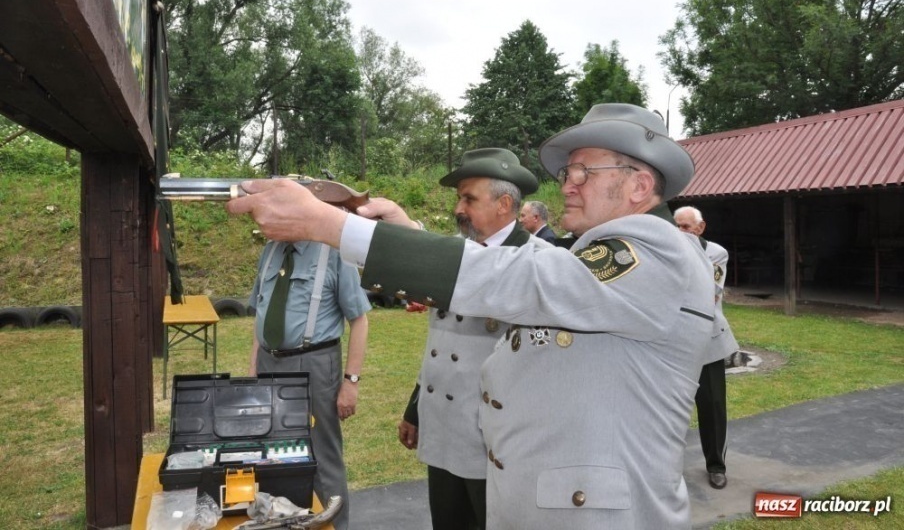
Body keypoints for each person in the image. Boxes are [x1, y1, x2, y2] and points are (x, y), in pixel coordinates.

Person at [226, 103, 715, 529]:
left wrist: (328, 224)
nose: (567, 184)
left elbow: (517, 275)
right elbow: (500, 270)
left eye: (584, 172)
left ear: (640, 185)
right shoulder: (602, 260)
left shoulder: (656, 251)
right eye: (568, 173)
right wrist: (406, 232)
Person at [393, 148, 551, 530]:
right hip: (444, 424)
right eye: (458, 198)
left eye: (469, 198)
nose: (458, 208)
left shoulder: (539, 261)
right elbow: (442, 342)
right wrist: (416, 408)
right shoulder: (454, 255)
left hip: (494, 438)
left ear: (505, 204)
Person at [248, 239, 372, 530]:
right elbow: (261, 315)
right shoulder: (270, 251)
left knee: (322, 456)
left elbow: (360, 320)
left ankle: (335, 526)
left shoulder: (335, 252)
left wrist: (351, 382)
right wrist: (253, 368)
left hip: (313, 364)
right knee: (274, 452)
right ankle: (283, 521)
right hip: (269, 363)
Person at [673, 205, 740, 490]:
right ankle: (667, 467)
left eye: (686, 227)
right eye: (675, 227)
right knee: (669, 407)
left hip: (707, 341)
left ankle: (716, 465)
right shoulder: (668, 251)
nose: (680, 233)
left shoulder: (715, 252)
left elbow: (707, 295)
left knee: (712, 405)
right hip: (672, 342)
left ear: (700, 228)